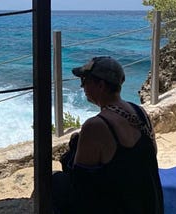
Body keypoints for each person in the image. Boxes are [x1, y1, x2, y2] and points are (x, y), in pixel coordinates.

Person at [52, 56, 164, 214]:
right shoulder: (139, 112)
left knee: (55, 182)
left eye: (84, 80)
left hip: (119, 207)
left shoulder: (96, 125)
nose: (81, 86)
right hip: (149, 204)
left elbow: (79, 182)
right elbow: (152, 154)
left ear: (101, 85)